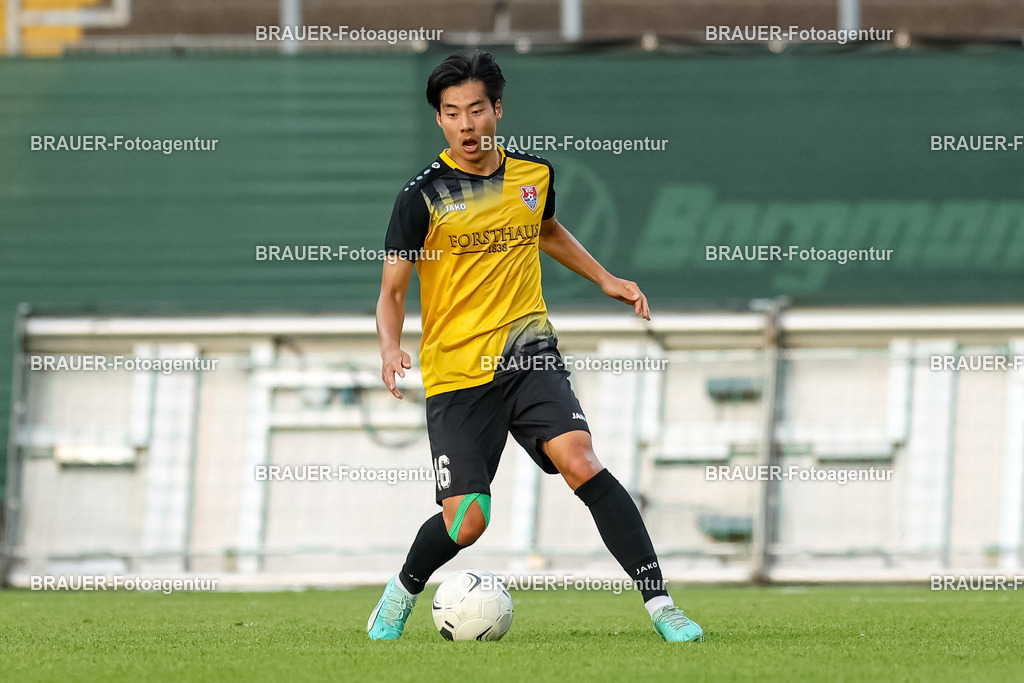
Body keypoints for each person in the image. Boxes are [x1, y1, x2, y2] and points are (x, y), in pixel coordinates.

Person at [367, 50, 703, 643]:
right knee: (468, 521)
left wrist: (607, 280)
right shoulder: (419, 199)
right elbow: (393, 290)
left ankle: (662, 606)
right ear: (439, 122)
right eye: (452, 114)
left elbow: (545, 230)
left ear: (497, 109)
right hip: (457, 371)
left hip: (529, 354)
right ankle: (400, 593)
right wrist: (392, 347)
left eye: (476, 110)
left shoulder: (533, 175)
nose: (466, 125)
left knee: (582, 460)